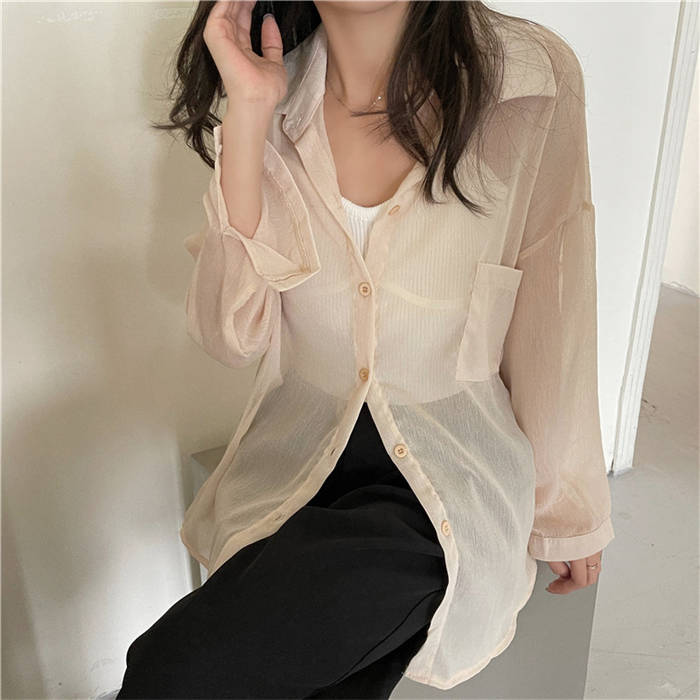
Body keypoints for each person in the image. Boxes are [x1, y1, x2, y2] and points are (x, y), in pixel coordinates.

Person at [117, 0, 615, 697]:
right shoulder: (276, 90)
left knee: (170, 672)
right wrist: (250, 120)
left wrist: (570, 514)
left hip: (449, 472)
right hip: (301, 459)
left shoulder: (528, 79)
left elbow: (555, 302)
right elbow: (232, 336)